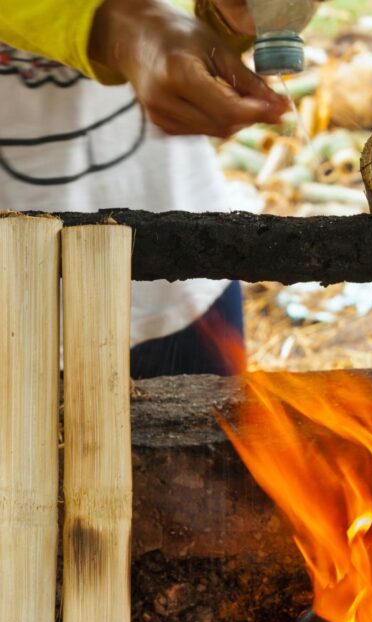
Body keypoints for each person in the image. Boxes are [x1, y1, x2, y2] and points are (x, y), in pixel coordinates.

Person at [0, 0, 287, 376]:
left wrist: (229, 20)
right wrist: (118, 26)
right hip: (16, 301)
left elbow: (211, 26)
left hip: (175, 246)